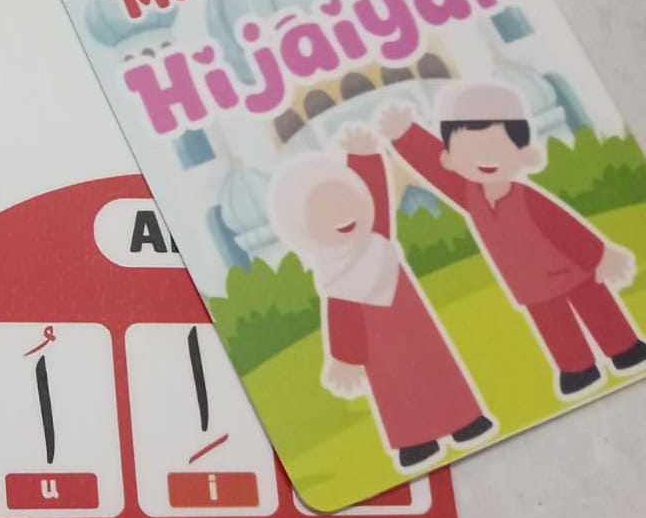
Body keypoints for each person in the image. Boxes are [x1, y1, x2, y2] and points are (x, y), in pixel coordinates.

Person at [379, 81, 645, 398]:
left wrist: (599, 256)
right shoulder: (472, 194)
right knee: (554, 325)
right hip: (531, 283)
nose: (484, 159)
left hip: (570, 269)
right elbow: (438, 172)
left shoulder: (525, 196)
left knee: (596, 306)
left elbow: (566, 228)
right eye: (469, 152)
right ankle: (577, 369)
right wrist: (406, 135)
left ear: (524, 154)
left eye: (496, 149)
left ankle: (625, 349)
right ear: (451, 158)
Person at [270, 124, 493, 472]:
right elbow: (341, 315)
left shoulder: (376, 240)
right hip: (379, 347)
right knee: (393, 387)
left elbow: (374, 196)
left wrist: (363, 157)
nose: (342, 214)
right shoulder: (335, 273)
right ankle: (414, 440)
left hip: (415, 326)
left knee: (437, 366)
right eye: (323, 213)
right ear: (304, 228)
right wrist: (346, 358)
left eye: (345, 200)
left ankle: (464, 420)